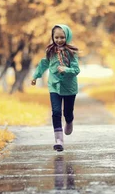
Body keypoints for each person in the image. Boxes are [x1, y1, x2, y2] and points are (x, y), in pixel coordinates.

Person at [31, 24, 80, 152]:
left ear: (67, 37)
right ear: (53, 37)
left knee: (67, 112)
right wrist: (36, 76)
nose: (59, 40)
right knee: (56, 112)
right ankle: (59, 140)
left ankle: (69, 121)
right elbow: (43, 64)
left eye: (62, 37)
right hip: (54, 86)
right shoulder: (50, 51)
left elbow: (76, 70)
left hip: (69, 87)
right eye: (56, 37)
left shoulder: (72, 53)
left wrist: (66, 69)